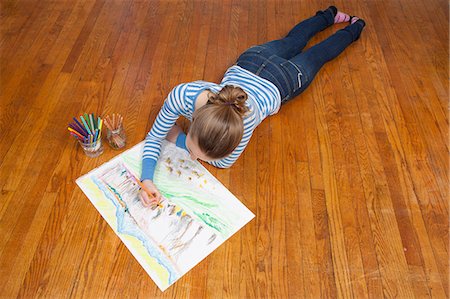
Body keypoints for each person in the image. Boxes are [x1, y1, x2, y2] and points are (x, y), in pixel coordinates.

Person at [139, 6, 366, 206]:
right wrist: (147, 179)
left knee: (319, 53)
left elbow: (223, 163)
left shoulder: (241, 120)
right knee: (295, 41)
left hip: (282, 79)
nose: (192, 158)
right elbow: (158, 136)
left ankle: (351, 26)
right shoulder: (183, 95)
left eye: (192, 152)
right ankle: (333, 16)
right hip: (253, 60)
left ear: (193, 120)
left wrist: (178, 138)